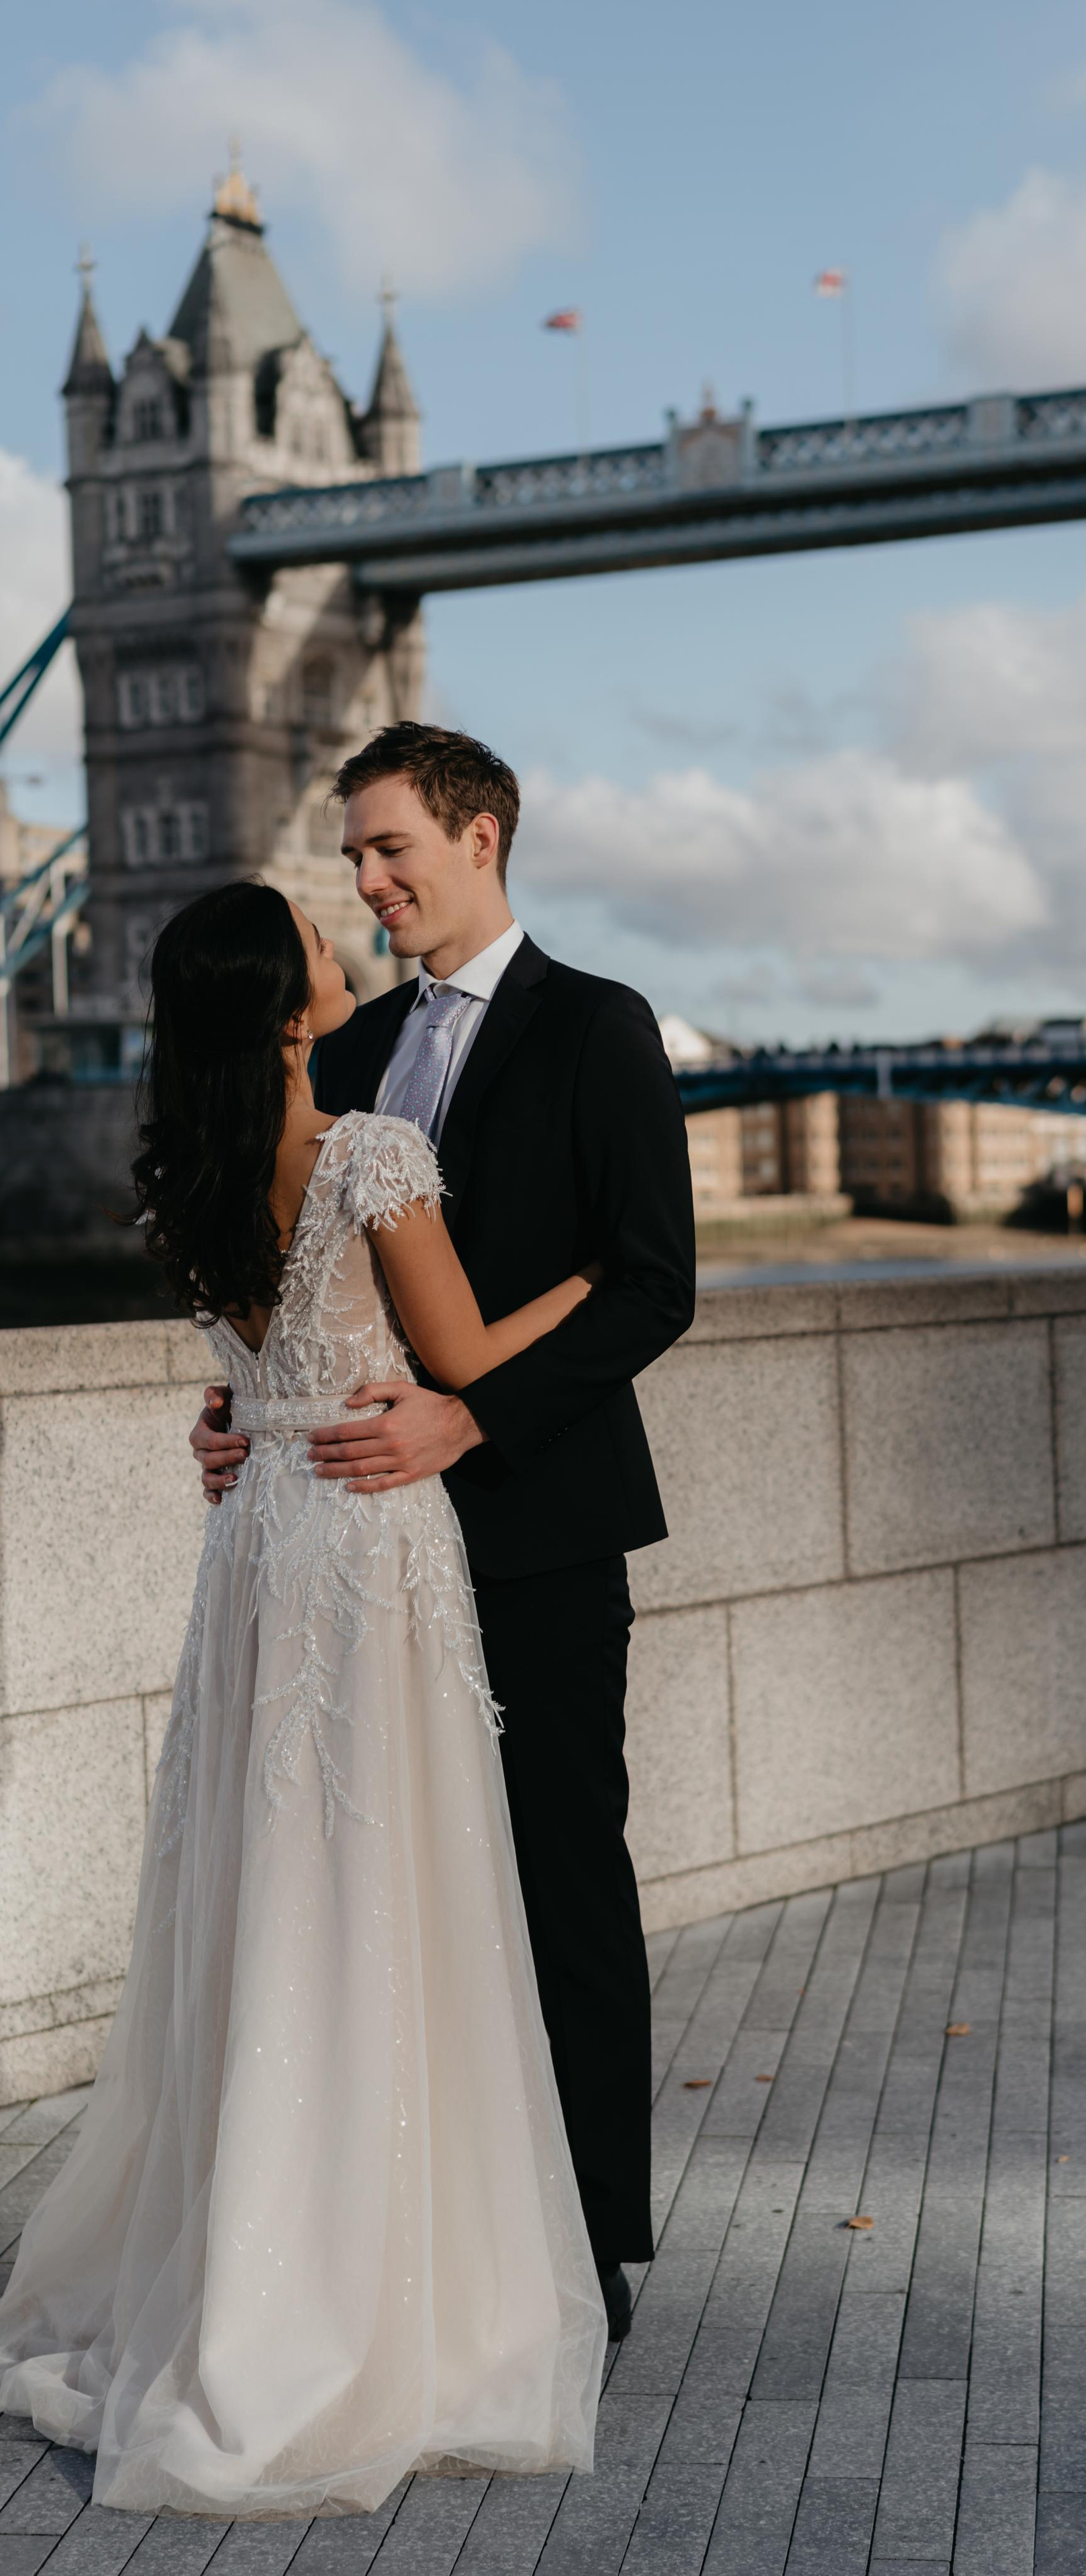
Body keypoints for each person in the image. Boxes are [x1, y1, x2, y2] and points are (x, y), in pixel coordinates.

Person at [0, 882, 609, 2516]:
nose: (344, 942)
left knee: (268, 1891)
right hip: (367, 1543)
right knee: (386, 1893)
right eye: (315, 939)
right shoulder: (367, 1153)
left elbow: (253, 1372)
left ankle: (252, 2254)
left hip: (260, 1543)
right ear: (287, 1002)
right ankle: (369, 2286)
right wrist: (597, 1285)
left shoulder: (185, 1177)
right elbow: (464, 1354)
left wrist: (240, 1409)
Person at [189, 724, 695, 2346]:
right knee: (378, 1893)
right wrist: (244, 1408)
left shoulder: (598, 1026)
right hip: (346, 1537)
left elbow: (653, 1278)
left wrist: (471, 1414)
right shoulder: (344, 1051)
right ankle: (398, 2232)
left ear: (483, 836)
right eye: (352, 856)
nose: (368, 879)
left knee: (556, 1874)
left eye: (392, 845)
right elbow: (301, 1275)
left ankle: (589, 2241)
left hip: (537, 1530)